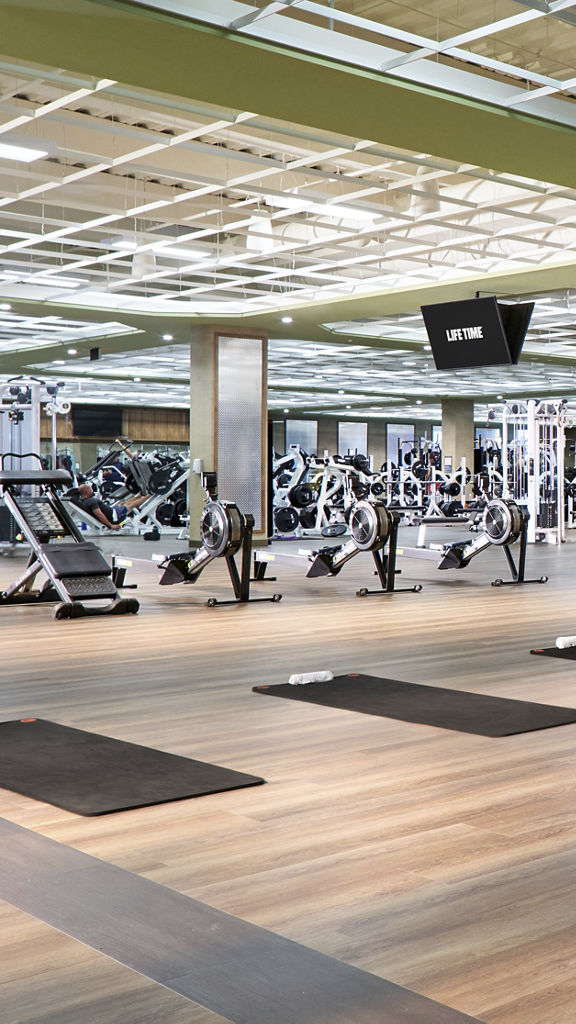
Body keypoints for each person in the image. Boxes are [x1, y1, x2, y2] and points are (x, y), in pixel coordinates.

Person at [75, 482, 147, 531]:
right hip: (114, 516)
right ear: (86, 492)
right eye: (90, 489)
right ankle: (149, 495)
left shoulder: (84, 501)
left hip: (112, 510)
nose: (92, 490)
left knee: (123, 503)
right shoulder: (91, 501)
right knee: (130, 505)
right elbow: (99, 514)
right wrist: (111, 525)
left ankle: (140, 495)